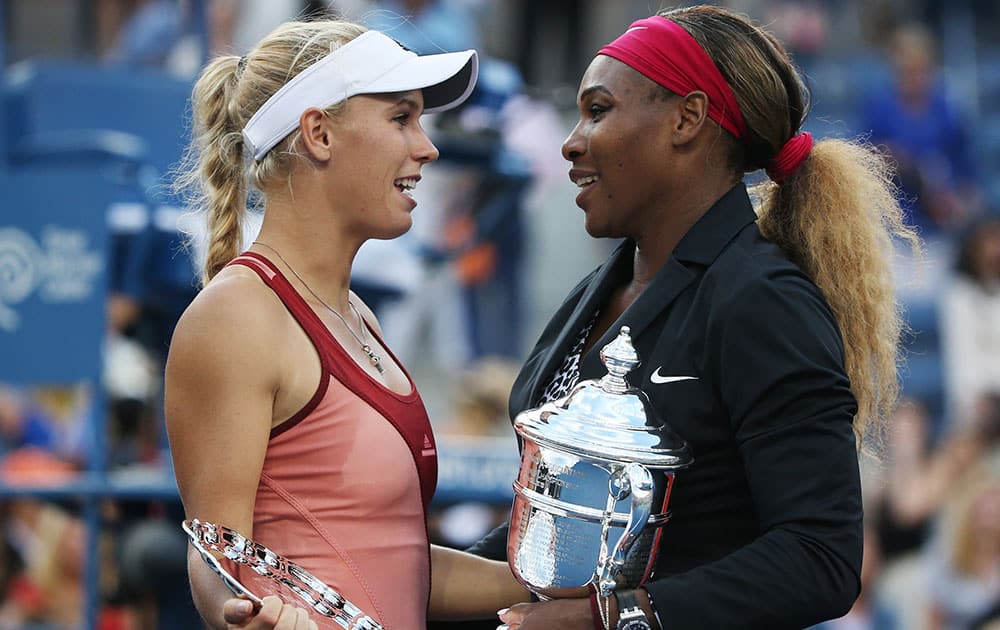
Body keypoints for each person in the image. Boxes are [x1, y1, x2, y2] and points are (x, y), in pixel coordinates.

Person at [477, 6, 919, 629]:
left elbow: (820, 557)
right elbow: (554, 537)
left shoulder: (764, 301)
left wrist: (612, 618)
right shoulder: (598, 289)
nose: (571, 140)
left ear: (687, 118)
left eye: (598, 110)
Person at [165, 19, 528, 630]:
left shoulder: (358, 314)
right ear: (318, 133)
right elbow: (215, 556)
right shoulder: (237, 317)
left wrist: (586, 584)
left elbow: (393, 561)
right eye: (400, 118)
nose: (427, 147)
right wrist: (247, 613)